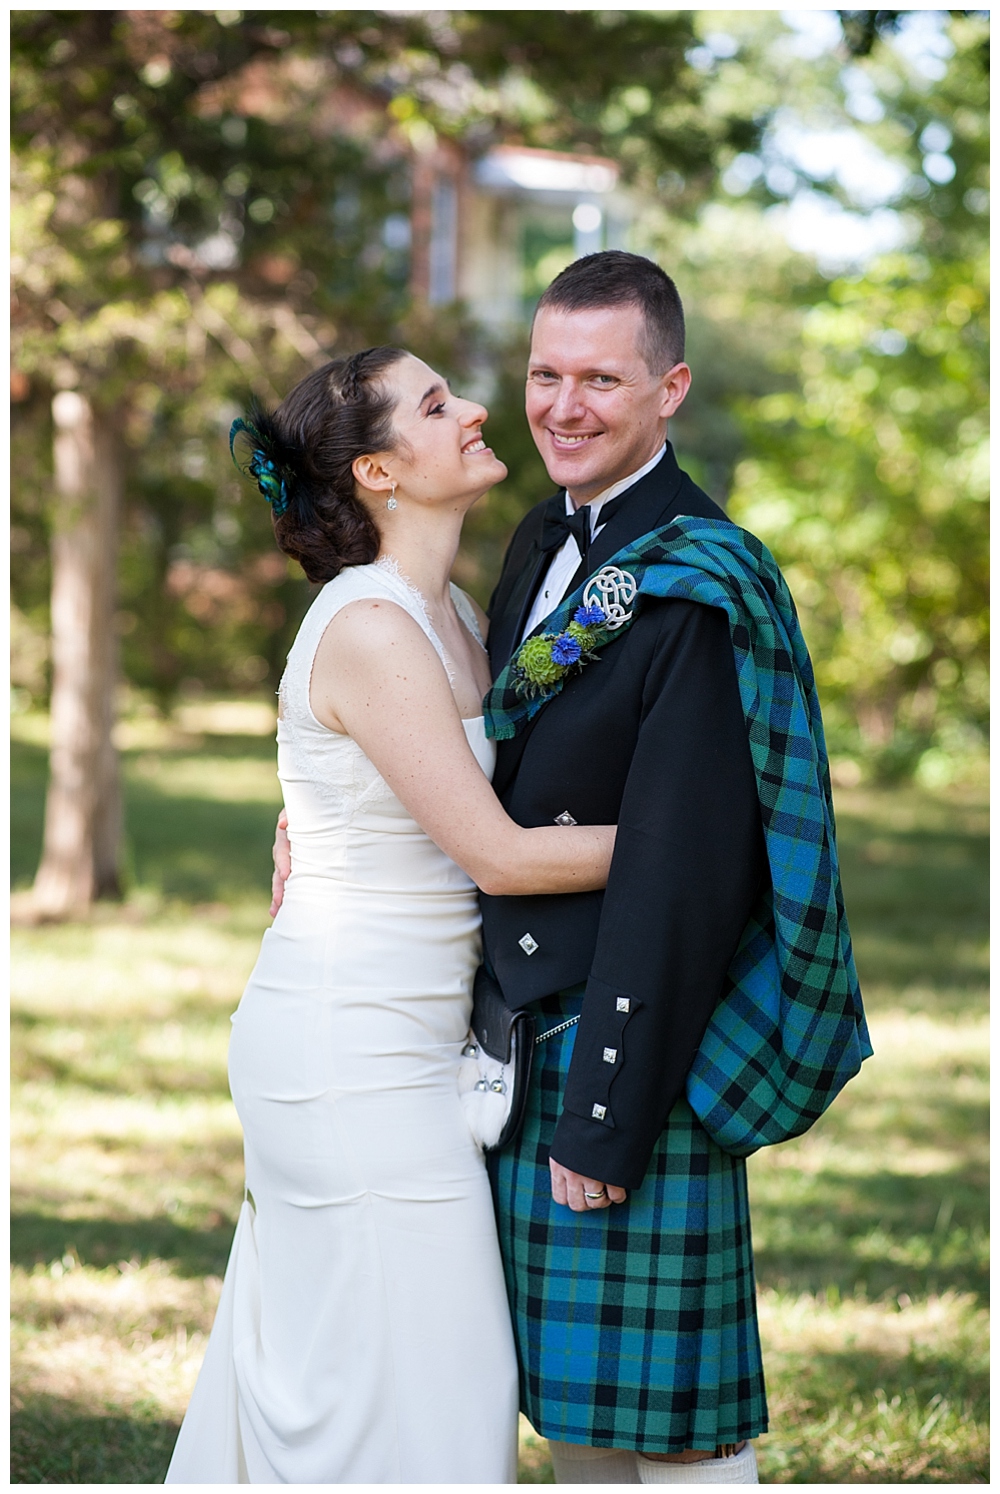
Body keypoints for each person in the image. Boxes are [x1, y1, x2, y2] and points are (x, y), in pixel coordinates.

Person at [270, 253, 870, 1484]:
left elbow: (693, 875)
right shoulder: (542, 534)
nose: (561, 406)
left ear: (671, 389)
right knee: (578, 1425)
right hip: (511, 1037)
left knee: (684, 1440)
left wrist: (607, 1120)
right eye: (546, 373)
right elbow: (470, 754)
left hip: (626, 1048)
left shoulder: (700, 579)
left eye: (602, 378)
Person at [165, 346, 619, 1484]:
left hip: (410, 1047)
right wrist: (705, 847)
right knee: (436, 1391)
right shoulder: (369, 626)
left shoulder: (457, 611)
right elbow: (498, 853)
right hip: (343, 1052)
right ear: (377, 470)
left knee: (392, 1388)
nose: (474, 410)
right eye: (435, 404)